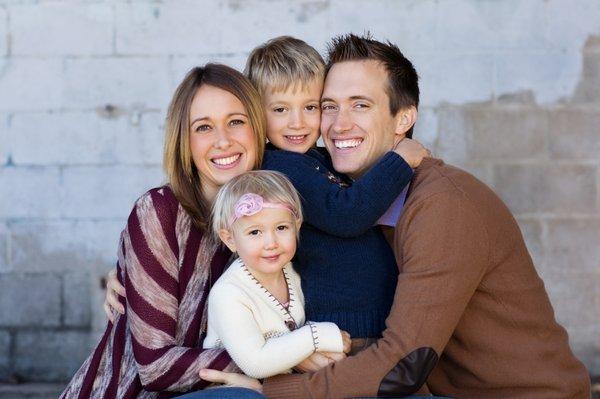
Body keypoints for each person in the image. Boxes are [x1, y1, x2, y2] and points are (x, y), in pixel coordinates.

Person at [203, 34, 592, 398]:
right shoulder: (342, 188)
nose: (337, 124)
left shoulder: (443, 206)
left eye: (360, 105)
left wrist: (271, 389)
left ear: (403, 120)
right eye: (329, 106)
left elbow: (402, 365)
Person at [60, 64, 267, 399]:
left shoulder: (274, 214)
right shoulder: (160, 212)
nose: (223, 140)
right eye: (203, 127)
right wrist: (274, 363)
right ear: (184, 142)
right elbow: (155, 366)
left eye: (236, 121)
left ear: (258, 128)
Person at [202, 170, 351, 380]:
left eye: (281, 227)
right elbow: (256, 363)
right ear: (230, 239)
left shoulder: (293, 272)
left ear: (296, 227)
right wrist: (317, 337)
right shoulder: (229, 294)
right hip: (235, 389)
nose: (271, 243)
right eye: (255, 232)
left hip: (281, 384)